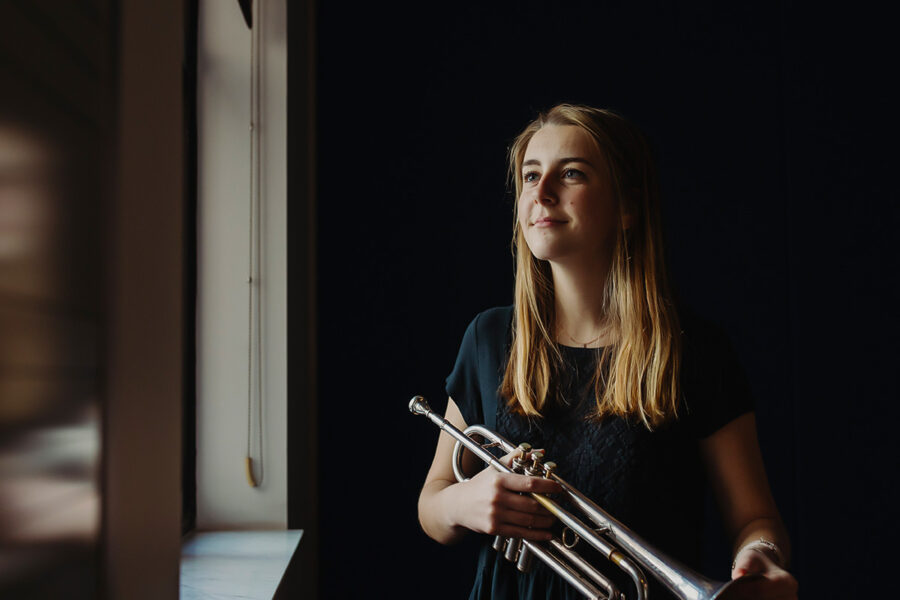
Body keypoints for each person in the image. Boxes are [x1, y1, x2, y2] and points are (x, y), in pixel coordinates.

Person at [416, 105, 799, 600]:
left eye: (571, 173)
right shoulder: (488, 338)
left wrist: (760, 554)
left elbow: (757, 519)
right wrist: (462, 504)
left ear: (627, 208)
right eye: (531, 175)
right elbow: (433, 501)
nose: (541, 192)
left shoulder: (695, 351)